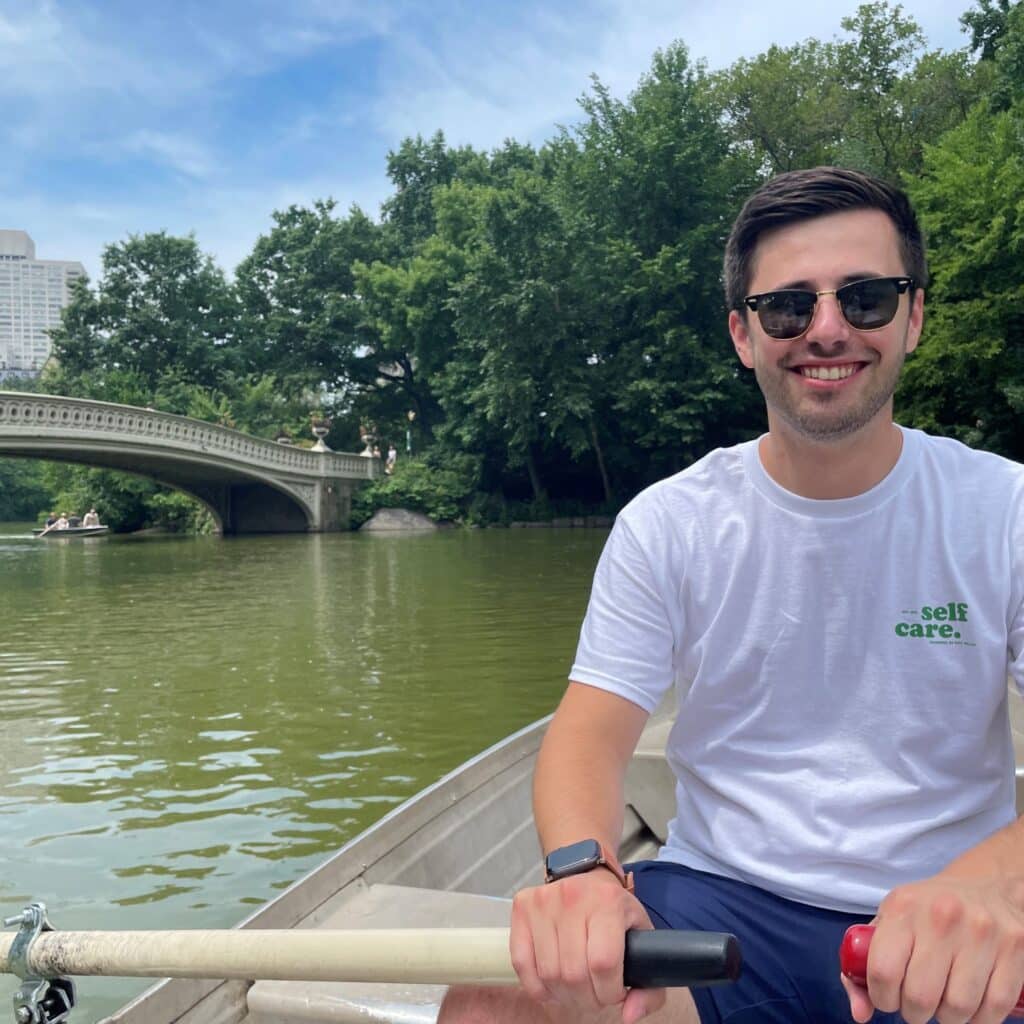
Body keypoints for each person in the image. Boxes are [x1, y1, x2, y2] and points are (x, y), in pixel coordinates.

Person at [439, 166, 1024, 1024]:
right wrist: (584, 876)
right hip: (720, 904)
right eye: (788, 307)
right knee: (492, 1005)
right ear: (744, 335)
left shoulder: (1005, 511)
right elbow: (587, 741)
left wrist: (990, 890)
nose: (827, 329)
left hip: (947, 910)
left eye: (865, 298)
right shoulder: (667, 523)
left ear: (915, 317)